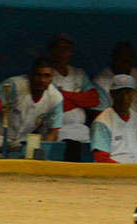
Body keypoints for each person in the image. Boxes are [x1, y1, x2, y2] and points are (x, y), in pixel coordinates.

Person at [0, 57, 63, 154]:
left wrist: (43, 150)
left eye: (47, 76)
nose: (42, 80)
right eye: (38, 75)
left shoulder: (56, 97)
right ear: (31, 75)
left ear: (52, 77)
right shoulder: (14, 85)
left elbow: (53, 131)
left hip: (21, 141)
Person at [49, 33, 100, 161]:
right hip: (57, 128)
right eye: (58, 48)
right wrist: (80, 99)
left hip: (81, 129)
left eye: (65, 49)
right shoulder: (47, 74)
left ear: (71, 52)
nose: (61, 52)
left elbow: (93, 99)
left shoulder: (79, 73)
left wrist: (64, 95)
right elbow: (57, 105)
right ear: (52, 51)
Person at [93, 42, 137, 135]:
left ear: (133, 61)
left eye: (128, 61)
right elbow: (99, 115)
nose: (124, 64)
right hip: (113, 126)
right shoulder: (101, 81)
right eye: (120, 60)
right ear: (113, 59)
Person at [90, 74, 137, 164]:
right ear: (112, 94)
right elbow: (101, 158)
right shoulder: (102, 121)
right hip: (114, 174)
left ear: (134, 94)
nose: (124, 98)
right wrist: (127, 171)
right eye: (119, 93)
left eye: (128, 93)